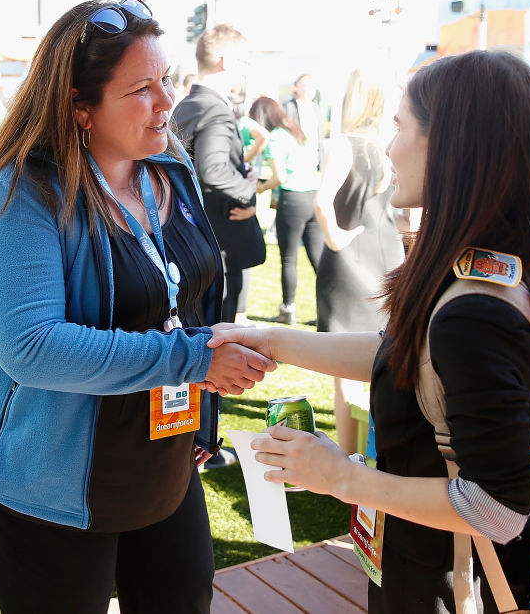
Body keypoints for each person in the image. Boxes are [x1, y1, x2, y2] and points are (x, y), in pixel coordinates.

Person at [0, 0, 276, 613]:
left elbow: (184, 290)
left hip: (160, 452)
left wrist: (202, 386)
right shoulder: (21, 194)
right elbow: (33, 348)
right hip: (48, 473)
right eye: (142, 89)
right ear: (81, 108)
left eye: (167, 80)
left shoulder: (169, 166)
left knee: (183, 593)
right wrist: (191, 361)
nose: (167, 102)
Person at [208, 50, 530, 612]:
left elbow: (497, 506)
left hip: (453, 585)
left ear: (453, 148)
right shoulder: (500, 263)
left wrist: (343, 477)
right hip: (425, 567)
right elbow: (410, 358)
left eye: (402, 128)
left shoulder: (475, 314)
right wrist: (273, 342)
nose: (390, 147)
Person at [314, 68, 404, 454]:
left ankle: (350, 459)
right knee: (383, 358)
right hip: (389, 255)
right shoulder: (393, 146)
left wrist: (335, 239)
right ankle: (375, 451)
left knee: (344, 370)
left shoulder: (345, 144)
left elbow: (322, 201)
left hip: (350, 260)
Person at [172, 24, 266, 324]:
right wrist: (248, 192)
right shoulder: (215, 109)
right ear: (225, 62)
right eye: (244, 63)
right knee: (218, 336)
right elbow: (213, 170)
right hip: (218, 242)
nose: (246, 72)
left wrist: (241, 169)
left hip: (189, 240)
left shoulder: (186, 106)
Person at [249, 96, 322, 324]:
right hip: (312, 196)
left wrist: (261, 187)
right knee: (317, 258)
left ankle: (287, 310)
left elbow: (279, 176)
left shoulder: (275, 139)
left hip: (292, 200)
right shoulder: (299, 133)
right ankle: (328, 310)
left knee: (289, 258)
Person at [283, 73, 325, 167]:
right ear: (296, 87)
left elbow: (320, 138)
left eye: (312, 85)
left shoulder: (316, 109)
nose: (309, 88)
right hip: (294, 161)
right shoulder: (288, 107)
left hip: (313, 160)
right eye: (305, 85)